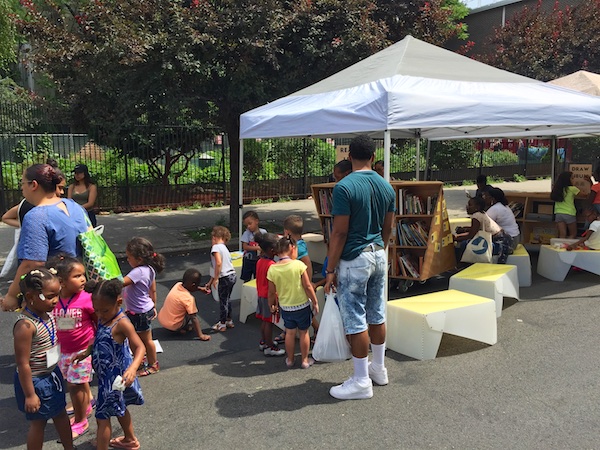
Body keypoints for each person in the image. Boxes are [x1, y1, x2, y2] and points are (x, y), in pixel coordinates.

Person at [324, 135, 396, 400]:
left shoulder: (344, 187)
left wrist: (330, 269)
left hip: (355, 257)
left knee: (355, 318)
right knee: (377, 313)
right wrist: (381, 248)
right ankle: (379, 368)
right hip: (378, 253)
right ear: (373, 157)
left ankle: (361, 380)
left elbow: (339, 233)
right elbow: (388, 227)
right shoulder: (386, 186)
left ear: (349, 156)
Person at [1, 164, 89, 312]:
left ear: (33, 185)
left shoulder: (36, 216)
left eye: (22, 183)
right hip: (77, 289)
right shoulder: (74, 206)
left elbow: (33, 262)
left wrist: (11, 295)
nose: (22, 188)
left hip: (51, 295)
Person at [75, 278, 144, 450]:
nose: (99, 314)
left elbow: (140, 347)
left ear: (118, 302)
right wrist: (88, 351)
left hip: (115, 379)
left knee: (102, 417)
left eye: (104, 310)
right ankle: (130, 439)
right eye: (96, 310)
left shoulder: (122, 323)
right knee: (119, 408)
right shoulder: (105, 317)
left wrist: (133, 368)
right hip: (107, 376)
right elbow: (101, 338)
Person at [13, 268, 75, 450]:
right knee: (38, 422)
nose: (55, 300)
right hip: (36, 380)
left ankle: (69, 448)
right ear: (31, 296)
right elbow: (22, 363)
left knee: (61, 414)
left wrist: (84, 322)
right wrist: (30, 394)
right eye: (50, 296)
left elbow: (60, 324)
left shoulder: (46, 314)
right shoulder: (25, 326)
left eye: (57, 295)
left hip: (51, 374)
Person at [47, 254, 96, 440]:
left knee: (74, 386)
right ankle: (85, 404)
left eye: (83, 275)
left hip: (82, 351)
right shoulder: (54, 299)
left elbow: (97, 321)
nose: (83, 279)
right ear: (62, 282)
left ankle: (81, 420)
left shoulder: (87, 299)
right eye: (77, 276)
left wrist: (92, 347)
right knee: (76, 384)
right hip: (63, 350)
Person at [267, 235, 319, 369]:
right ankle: (305, 360)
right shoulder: (299, 265)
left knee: (290, 333)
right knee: (304, 332)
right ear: (292, 248)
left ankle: (290, 360)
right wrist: (315, 301)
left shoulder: (272, 269)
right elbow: (307, 286)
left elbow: (272, 292)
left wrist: (271, 304)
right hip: (302, 305)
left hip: (286, 307)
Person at [123, 237, 166, 377]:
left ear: (139, 259)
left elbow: (121, 283)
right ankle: (141, 361)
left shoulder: (138, 271)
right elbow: (152, 289)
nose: (127, 260)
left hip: (138, 312)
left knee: (143, 340)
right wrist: (153, 305)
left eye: (129, 257)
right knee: (138, 339)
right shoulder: (149, 269)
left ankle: (152, 365)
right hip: (142, 309)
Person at [157, 268, 211, 341]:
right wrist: (201, 335)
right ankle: (179, 328)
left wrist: (200, 288)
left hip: (162, 319)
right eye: (197, 285)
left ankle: (179, 327)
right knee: (191, 310)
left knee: (180, 306)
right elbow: (194, 318)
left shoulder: (178, 284)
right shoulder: (188, 299)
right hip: (173, 325)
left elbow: (190, 287)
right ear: (193, 285)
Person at [454, 196, 512, 264]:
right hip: (505, 238)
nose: (467, 207)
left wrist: (456, 238)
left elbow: (471, 235)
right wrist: (464, 229)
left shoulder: (476, 216)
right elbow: (475, 229)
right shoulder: (481, 213)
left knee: (464, 244)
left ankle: (461, 264)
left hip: (500, 242)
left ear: (477, 207)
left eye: (470, 205)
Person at [254, 232, 285, 356]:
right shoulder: (272, 266)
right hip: (269, 297)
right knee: (269, 322)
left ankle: (264, 342)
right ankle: (269, 346)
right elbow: (273, 285)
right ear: (272, 250)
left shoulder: (260, 261)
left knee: (264, 321)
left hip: (261, 295)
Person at [206, 226, 237, 332]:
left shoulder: (215, 248)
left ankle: (222, 323)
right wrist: (210, 281)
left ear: (214, 237)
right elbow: (219, 266)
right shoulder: (224, 248)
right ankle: (229, 320)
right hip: (232, 275)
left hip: (224, 277)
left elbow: (218, 263)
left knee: (223, 300)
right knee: (227, 298)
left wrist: (215, 280)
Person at [551, 171, 580, 238]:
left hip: (558, 213)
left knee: (562, 234)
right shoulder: (572, 189)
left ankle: (561, 247)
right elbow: (585, 195)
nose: (574, 179)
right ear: (568, 180)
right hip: (569, 213)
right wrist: (576, 185)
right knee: (573, 234)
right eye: (572, 178)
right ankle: (568, 246)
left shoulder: (557, 189)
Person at [240, 211, 267, 282]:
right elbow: (245, 247)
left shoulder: (263, 232)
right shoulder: (247, 233)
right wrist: (257, 248)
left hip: (259, 260)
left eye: (250, 224)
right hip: (248, 260)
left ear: (256, 221)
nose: (248, 226)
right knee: (246, 278)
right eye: (246, 225)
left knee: (258, 277)